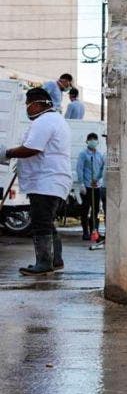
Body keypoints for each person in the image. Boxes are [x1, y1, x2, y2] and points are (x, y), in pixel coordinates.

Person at [0, 87, 72, 275]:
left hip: (46, 181)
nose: (27, 109)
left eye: (28, 105)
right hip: (52, 181)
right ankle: (55, 260)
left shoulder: (45, 121)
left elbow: (32, 148)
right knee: (46, 222)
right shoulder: (56, 120)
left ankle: (44, 263)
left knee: (41, 223)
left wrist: (7, 153)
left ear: (38, 104)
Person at [76, 132, 105, 241]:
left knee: (96, 210)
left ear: (97, 141)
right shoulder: (83, 154)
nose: (93, 141)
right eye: (91, 139)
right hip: (86, 187)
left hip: (96, 186)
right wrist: (81, 184)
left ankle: (94, 231)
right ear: (87, 141)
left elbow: (102, 168)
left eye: (95, 139)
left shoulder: (99, 155)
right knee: (85, 209)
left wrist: (97, 179)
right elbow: (79, 168)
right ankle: (85, 232)